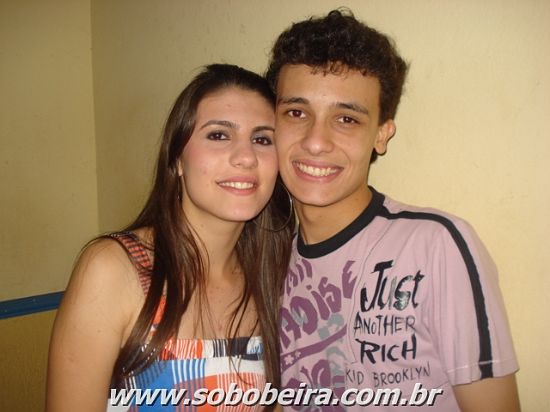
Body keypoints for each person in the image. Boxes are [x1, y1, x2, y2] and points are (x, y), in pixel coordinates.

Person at [266, 9, 520, 411]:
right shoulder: (268, 263)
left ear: (381, 135)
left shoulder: (436, 246)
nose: (316, 141)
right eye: (297, 113)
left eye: (346, 119)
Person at [46, 64, 294, 411]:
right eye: (219, 135)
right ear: (177, 159)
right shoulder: (113, 269)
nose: (245, 158)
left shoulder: (277, 277)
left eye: (262, 139)